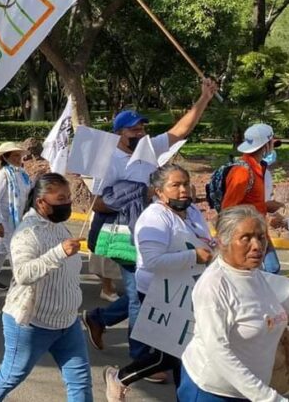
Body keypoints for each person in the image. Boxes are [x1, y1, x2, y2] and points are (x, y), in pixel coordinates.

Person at [82, 78, 218, 359]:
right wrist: (131, 198)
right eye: (134, 128)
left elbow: (180, 131)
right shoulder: (107, 159)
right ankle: (141, 356)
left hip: (155, 228)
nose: (141, 131)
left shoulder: (148, 148)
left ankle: (100, 318)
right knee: (137, 293)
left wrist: (204, 96)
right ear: (119, 133)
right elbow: (98, 203)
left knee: (148, 287)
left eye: (143, 127)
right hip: (126, 235)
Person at [103, 164, 215, 400]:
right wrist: (193, 256)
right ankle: (120, 377)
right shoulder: (154, 217)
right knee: (176, 353)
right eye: (175, 185)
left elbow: (203, 238)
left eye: (186, 183)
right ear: (159, 192)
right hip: (160, 293)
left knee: (178, 353)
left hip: (188, 289)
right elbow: (152, 261)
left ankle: (121, 378)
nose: (184, 190)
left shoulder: (192, 210)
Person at [0, 173, 90, 401]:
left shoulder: (58, 226)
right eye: (60, 199)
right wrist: (58, 253)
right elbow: (23, 274)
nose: (67, 203)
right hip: (32, 324)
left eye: (68, 197)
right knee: (11, 375)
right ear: (41, 202)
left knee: (80, 382)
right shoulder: (27, 233)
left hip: (67, 323)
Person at [179, 205, 289, 401]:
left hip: (250, 390)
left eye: (261, 237)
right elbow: (219, 352)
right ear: (223, 242)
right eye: (246, 238)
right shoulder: (213, 286)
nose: (256, 246)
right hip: (213, 392)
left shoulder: (253, 274)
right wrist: (269, 398)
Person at [222, 123, 283, 274]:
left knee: (272, 269)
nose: (273, 147)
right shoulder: (242, 172)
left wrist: (265, 206)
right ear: (265, 145)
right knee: (266, 271)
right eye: (272, 143)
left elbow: (249, 201)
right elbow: (228, 208)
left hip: (257, 229)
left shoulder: (257, 167)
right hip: (245, 234)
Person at [0, 142, 31, 291]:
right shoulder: (2, 175)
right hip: (6, 219)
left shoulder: (23, 174)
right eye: (15, 156)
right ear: (6, 158)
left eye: (19, 155)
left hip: (19, 218)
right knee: (14, 250)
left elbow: (27, 193)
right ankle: (19, 283)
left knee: (2, 249)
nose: (18, 158)